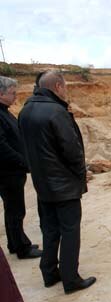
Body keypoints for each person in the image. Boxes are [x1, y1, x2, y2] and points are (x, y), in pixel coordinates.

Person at [18, 71, 96, 294]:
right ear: (58, 86)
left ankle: (49, 273)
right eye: (66, 86)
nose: (67, 90)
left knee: (50, 230)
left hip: (42, 184)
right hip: (64, 186)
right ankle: (71, 279)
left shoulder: (25, 111)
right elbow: (71, 150)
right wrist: (81, 173)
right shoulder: (56, 111)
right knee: (70, 231)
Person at [0, 76, 42, 259]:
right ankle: (22, 248)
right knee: (16, 210)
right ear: (0, 94)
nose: (15, 96)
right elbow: (2, 147)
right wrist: (23, 162)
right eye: (12, 93)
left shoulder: (4, 112)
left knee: (12, 209)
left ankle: (15, 243)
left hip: (11, 170)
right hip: (8, 171)